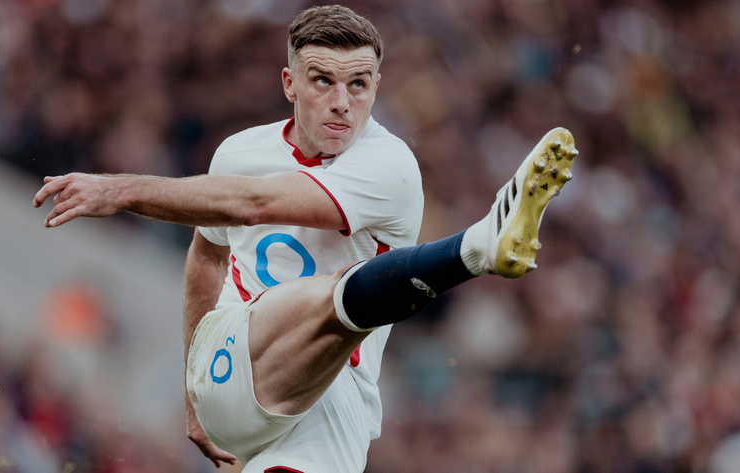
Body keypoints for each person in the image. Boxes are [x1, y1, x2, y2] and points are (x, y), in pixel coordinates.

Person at [33, 5, 577, 472]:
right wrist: (194, 393)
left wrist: (121, 190)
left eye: (358, 84)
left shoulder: (390, 167)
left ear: (376, 88)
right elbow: (210, 251)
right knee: (336, 290)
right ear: (290, 84)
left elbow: (258, 204)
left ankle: (477, 247)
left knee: (335, 302)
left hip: (335, 402)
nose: (343, 101)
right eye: (323, 81)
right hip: (234, 360)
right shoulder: (241, 154)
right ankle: (475, 248)